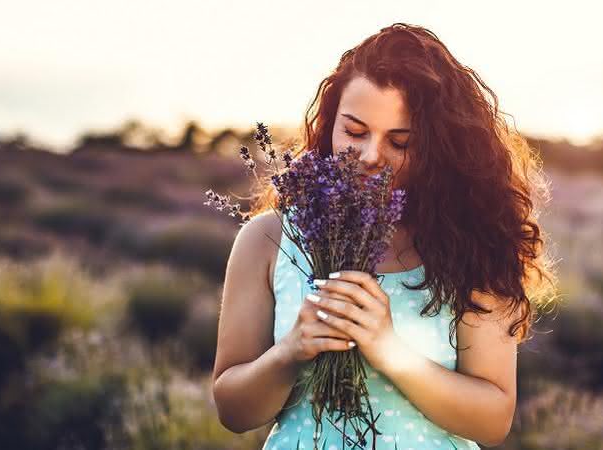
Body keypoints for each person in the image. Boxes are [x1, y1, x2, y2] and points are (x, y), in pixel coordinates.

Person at [212, 22, 558, 449]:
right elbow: (232, 410)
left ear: (438, 146)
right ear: (329, 124)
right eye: (354, 132)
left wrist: (388, 349)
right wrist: (291, 351)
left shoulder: (475, 242)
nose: (372, 156)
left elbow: (492, 421)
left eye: (401, 141)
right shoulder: (267, 240)